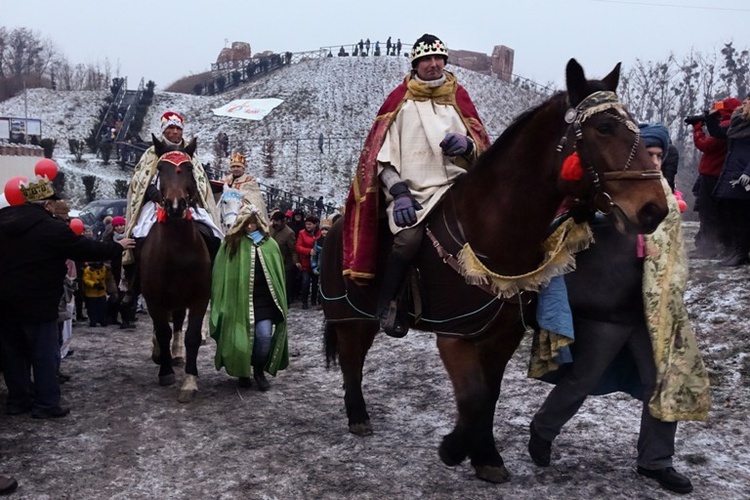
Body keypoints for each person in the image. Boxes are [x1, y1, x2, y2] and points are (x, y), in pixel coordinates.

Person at [527, 123, 711, 495]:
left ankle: (656, 461)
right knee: (582, 379)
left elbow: (674, 261)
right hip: (605, 313)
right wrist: (587, 216)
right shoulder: (606, 198)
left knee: (661, 384)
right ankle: (543, 429)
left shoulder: (666, 202)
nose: (654, 162)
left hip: (650, 316)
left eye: (660, 156)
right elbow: (562, 234)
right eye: (649, 155)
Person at [341, 33, 491, 338]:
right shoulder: (400, 103)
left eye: (439, 59)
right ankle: (389, 302)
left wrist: (467, 147)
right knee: (407, 242)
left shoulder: (459, 99)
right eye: (426, 59)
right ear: (416, 64)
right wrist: (398, 191)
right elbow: (378, 159)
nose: (434, 65)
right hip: (411, 193)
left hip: (455, 188)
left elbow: (482, 149)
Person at [0, 175, 135, 419]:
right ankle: (46, 404)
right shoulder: (51, 227)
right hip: (39, 302)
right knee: (42, 355)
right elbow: (85, 249)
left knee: (12, 355)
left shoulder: (2, 221)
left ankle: (18, 401)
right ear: (47, 205)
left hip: (4, 302)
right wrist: (118, 246)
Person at [121, 111, 222, 306]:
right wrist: (155, 195)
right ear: (164, 131)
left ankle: (215, 276)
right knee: (138, 235)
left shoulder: (189, 154)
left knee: (214, 234)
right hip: (157, 204)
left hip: (188, 204)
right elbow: (141, 181)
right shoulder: (151, 154)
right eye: (171, 128)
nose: (175, 132)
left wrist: (189, 197)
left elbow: (198, 181)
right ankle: (134, 284)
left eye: (178, 129)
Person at [210, 202, 289, 391]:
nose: (250, 226)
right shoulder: (232, 245)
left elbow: (278, 277)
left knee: (263, 339)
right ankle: (243, 372)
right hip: (239, 302)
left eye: (253, 222)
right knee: (241, 342)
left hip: (264, 303)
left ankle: (258, 370)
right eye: (246, 223)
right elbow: (222, 275)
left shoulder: (270, 246)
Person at [687, 97, 742, 259]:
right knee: (712, 213)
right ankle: (710, 245)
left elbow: (706, 145)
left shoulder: (726, 127)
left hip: (713, 176)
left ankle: (709, 247)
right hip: (715, 175)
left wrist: (698, 130)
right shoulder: (730, 125)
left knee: (709, 212)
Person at [706, 94, 750, 267]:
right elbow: (717, 132)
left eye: (747, 101)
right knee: (731, 214)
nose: (744, 102)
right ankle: (736, 251)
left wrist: (748, 172)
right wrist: (711, 115)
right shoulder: (737, 125)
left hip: (744, 174)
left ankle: (741, 253)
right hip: (732, 172)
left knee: (743, 216)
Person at [269, 210, 299, 307]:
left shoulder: (289, 233)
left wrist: (295, 262)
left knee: (285, 284)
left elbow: (293, 250)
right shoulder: (269, 229)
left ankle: (285, 302)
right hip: (271, 260)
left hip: (285, 262)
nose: (275, 223)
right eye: (274, 220)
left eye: (277, 221)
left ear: (283, 221)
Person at [296, 215, 321, 309]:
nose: (307, 226)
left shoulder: (320, 233)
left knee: (315, 283)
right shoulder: (302, 233)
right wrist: (309, 251)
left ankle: (314, 300)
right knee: (305, 282)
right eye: (306, 224)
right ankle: (304, 302)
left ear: (315, 224)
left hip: (317, 263)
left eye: (310, 224)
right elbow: (298, 247)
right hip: (306, 262)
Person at [81, 261, 110, 327]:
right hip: (91, 293)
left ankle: (102, 320)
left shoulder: (104, 268)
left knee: (102, 307)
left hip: (101, 292)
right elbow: (86, 279)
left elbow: (107, 276)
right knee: (92, 308)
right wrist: (94, 285)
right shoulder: (88, 269)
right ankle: (93, 320)